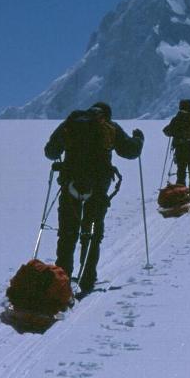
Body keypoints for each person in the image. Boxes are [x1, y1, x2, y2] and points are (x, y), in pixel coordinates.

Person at [43, 101, 143, 294]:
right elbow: (131, 151)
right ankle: (87, 279)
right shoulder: (110, 127)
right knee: (92, 233)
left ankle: (61, 281)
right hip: (97, 187)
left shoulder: (71, 122)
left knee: (67, 234)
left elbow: (50, 152)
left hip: (70, 184)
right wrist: (139, 139)